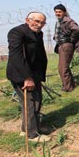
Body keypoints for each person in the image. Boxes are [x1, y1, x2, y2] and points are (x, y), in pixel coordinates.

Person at [6, 11, 51, 143]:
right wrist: (27, 77)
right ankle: (32, 135)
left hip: (34, 73)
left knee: (35, 101)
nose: (39, 25)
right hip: (21, 74)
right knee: (31, 102)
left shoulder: (38, 33)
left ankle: (27, 129)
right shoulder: (17, 32)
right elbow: (16, 57)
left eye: (42, 22)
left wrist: (39, 76)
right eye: (37, 21)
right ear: (28, 20)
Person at [53, 3, 79, 92]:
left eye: (59, 12)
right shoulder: (60, 21)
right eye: (56, 12)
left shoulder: (67, 20)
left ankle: (68, 88)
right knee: (63, 67)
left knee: (63, 68)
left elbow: (76, 29)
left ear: (64, 12)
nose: (57, 13)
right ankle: (71, 84)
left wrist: (71, 39)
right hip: (62, 45)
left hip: (66, 45)